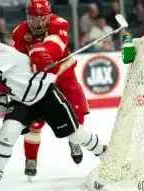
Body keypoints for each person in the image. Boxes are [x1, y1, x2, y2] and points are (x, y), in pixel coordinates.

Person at [0, 28, 107, 191]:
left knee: (75, 134)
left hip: (45, 93)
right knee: (7, 133)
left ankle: (103, 152)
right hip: (21, 102)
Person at [11, 0, 89, 177]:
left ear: (49, 16)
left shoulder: (59, 23)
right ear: (27, 17)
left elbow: (56, 47)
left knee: (75, 108)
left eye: (42, 18)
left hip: (63, 74)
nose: (38, 24)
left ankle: (74, 139)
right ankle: (31, 158)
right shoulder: (19, 33)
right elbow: (15, 60)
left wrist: (39, 50)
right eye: (33, 19)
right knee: (35, 121)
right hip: (39, 79)